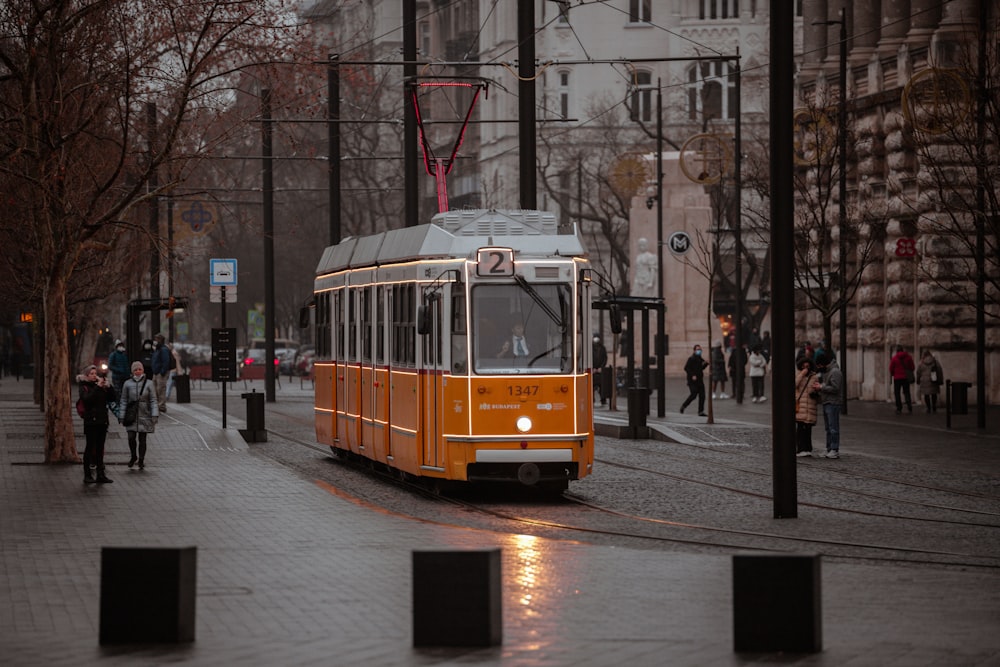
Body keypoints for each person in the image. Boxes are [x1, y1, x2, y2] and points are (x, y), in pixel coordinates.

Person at [77, 364, 117, 484]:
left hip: (102, 420)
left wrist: (108, 387)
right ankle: (87, 475)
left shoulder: (99, 386)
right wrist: (98, 388)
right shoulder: (84, 386)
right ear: (86, 375)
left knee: (100, 448)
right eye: (91, 374)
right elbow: (87, 399)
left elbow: (112, 398)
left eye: (95, 373)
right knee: (90, 447)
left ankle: (101, 474)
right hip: (91, 421)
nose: (94, 376)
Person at [120, 360, 158, 470]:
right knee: (131, 437)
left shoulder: (149, 383)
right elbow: (123, 400)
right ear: (132, 371)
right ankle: (133, 456)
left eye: (139, 369)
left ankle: (141, 459)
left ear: (143, 370)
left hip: (145, 414)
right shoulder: (127, 383)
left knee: (143, 439)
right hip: (131, 415)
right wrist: (121, 415)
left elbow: (153, 400)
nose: (138, 371)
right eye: (135, 370)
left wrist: (154, 414)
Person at [817, 351, 843, 459]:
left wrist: (822, 387)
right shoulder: (827, 372)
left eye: (819, 365)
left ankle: (834, 449)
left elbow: (835, 388)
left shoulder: (835, 372)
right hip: (827, 401)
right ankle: (829, 448)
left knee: (833, 427)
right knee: (828, 428)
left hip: (833, 402)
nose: (819, 368)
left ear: (824, 364)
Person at [794, 357, 820, 457]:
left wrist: (816, 390)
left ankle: (808, 448)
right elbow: (794, 384)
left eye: (807, 366)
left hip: (810, 406)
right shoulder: (798, 374)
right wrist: (802, 374)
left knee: (808, 429)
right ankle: (800, 448)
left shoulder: (814, 376)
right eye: (804, 366)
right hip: (801, 406)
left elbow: (816, 387)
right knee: (800, 428)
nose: (806, 368)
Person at [680, 344, 708, 416]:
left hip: (699, 380)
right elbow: (686, 368)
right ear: (694, 350)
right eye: (698, 349)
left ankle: (700, 411)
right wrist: (692, 375)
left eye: (700, 350)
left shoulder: (700, 359)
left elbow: (701, 368)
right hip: (692, 381)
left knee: (702, 396)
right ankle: (684, 406)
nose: (699, 351)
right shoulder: (691, 359)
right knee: (694, 394)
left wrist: (706, 363)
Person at [889, 345, 916, 414]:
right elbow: (912, 367)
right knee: (907, 392)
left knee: (897, 393)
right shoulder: (908, 357)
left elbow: (891, 368)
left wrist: (893, 374)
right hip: (906, 378)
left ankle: (899, 408)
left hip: (897, 378)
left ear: (897, 351)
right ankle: (909, 407)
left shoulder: (894, 358)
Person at [150, 333, 171, 413]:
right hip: (156, 372)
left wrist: (162, 372)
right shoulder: (158, 349)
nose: (155, 341)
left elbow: (166, 361)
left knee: (160, 389)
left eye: (157, 339)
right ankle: (157, 405)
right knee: (155, 389)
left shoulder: (163, 349)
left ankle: (161, 406)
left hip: (160, 373)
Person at [592, 335, 608, 405]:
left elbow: (605, 358)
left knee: (602, 385)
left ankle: (603, 399)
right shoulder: (590, 348)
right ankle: (592, 399)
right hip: (593, 370)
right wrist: (592, 368)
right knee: (591, 385)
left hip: (600, 370)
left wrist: (601, 367)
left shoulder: (602, 348)